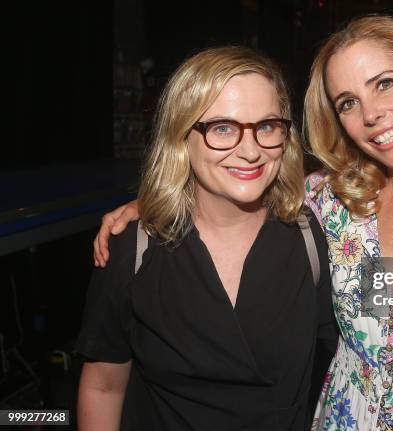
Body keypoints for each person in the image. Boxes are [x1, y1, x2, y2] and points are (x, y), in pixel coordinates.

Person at [94, 16, 393, 431]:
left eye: (385, 83)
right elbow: (233, 180)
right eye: (347, 102)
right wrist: (147, 204)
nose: (372, 114)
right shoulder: (333, 201)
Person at [77, 46, 337, 431]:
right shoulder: (131, 246)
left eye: (266, 126)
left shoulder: (316, 235)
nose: (250, 151)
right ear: (182, 137)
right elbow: (103, 387)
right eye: (222, 128)